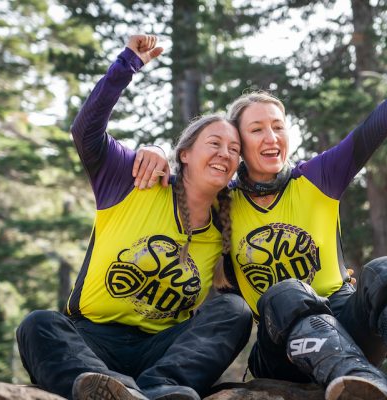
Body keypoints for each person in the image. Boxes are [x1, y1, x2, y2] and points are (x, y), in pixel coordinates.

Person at [135, 22, 387, 400]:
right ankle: (365, 387)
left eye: (278, 127)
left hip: (348, 328)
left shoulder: (317, 178)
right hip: (280, 348)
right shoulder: (221, 199)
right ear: (239, 144)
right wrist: (155, 152)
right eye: (257, 130)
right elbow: (185, 178)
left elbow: (380, 121)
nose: (271, 138)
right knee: (286, 292)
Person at [16, 34, 252, 400]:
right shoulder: (135, 181)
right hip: (90, 341)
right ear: (184, 154)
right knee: (38, 325)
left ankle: (160, 390)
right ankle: (113, 390)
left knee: (235, 312)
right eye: (214, 144)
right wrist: (126, 64)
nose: (225, 153)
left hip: (163, 353)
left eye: (234, 150)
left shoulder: (233, 218)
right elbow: (86, 133)